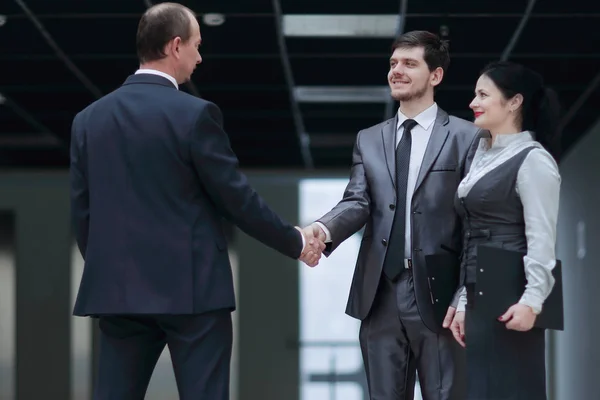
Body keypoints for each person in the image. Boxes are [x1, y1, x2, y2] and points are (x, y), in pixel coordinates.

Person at [69, 3, 324, 399]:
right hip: (193, 293)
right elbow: (235, 198)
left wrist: (114, 268)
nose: (199, 57)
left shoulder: (88, 120)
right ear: (175, 46)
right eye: (196, 45)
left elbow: (82, 213)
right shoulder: (195, 115)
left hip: (118, 293)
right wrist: (294, 241)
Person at [300, 31, 483, 400]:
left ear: (436, 76)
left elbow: (475, 225)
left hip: (440, 294)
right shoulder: (368, 139)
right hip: (379, 294)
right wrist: (322, 230)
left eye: (409, 64)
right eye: (393, 63)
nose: (396, 71)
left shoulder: (468, 137)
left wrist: (467, 294)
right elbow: (357, 202)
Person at [449, 61, 561, 399]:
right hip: (480, 290)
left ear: (515, 102)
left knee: (512, 390)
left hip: (512, 295)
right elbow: (473, 234)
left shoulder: (533, 160)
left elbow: (541, 238)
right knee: (482, 390)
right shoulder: (480, 155)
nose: (473, 102)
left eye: (483, 94)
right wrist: (464, 298)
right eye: (474, 94)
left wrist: (533, 302)